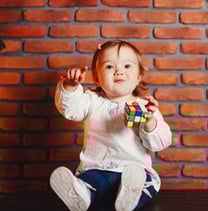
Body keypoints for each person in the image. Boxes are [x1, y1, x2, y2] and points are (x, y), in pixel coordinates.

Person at [50, 40, 172, 211]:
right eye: (109, 67)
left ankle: (128, 199)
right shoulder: (91, 101)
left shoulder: (145, 107)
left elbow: (160, 143)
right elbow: (70, 110)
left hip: (134, 171)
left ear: (138, 77)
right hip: (98, 170)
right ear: (98, 79)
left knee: (147, 182)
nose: (118, 71)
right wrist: (70, 86)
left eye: (127, 66)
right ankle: (81, 195)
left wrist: (150, 121)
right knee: (89, 182)